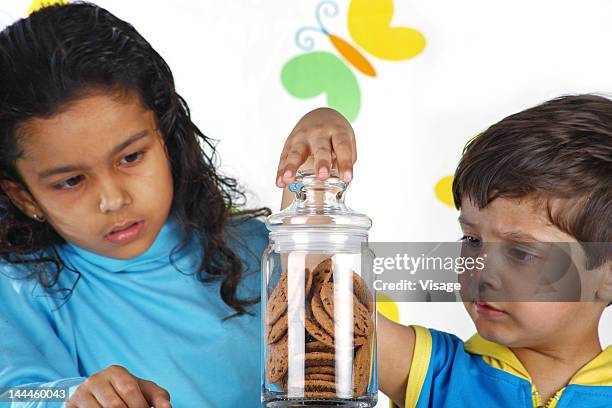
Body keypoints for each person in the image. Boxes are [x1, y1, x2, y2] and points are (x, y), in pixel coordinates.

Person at [0, 3, 355, 407]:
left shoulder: (255, 248)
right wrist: (73, 397)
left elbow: (322, 354)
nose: (113, 199)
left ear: (167, 138)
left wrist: (316, 158)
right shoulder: (20, 285)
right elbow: (14, 391)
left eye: (131, 158)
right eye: (70, 181)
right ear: (23, 196)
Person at [375, 94, 612, 407]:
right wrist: (314, 172)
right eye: (472, 240)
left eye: (520, 253)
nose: (482, 272)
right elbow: (317, 309)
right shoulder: (435, 374)